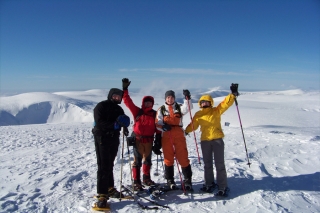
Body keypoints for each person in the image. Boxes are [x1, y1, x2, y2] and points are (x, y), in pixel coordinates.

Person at [185, 83, 239, 196]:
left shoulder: (216, 111)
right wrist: (186, 131)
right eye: (202, 102)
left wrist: (232, 95)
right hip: (205, 141)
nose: (204, 103)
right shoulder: (198, 114)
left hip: (217, 140)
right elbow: (193, 125)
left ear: (210, 103)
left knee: (219, 164)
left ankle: (222, 186)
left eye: (207, 101)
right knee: (207, 164)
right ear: (200, 103)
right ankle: (209, 184)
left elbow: (225, 104)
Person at [91, 88, 130, 208]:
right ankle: (102, 194)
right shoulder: (101, 106)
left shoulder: (119, 109)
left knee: (110, 164)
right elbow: (99, 122)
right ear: (110, 95)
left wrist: (125, 126)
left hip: (114, 139)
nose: (117, 98)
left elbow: (122, 120)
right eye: (115, 96)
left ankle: (109, 188)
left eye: (119, 96)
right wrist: (113, 125)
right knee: (103, 166)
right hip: (102, 138)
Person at [121, 78, 162, 191]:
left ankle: (146, 178)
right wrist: (125, 90)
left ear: (152, 103)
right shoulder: (137, 111)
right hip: (137, 140)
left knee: (147, 161)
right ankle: (136, 181)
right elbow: (127, 102)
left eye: (150, 102)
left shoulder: (155, 114)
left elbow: (158, 128)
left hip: (149, 141)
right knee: (137, 161)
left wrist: (158, 140)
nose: (148, 103)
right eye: (146, 102)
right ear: (143, 103)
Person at [155, 89, 193, 190]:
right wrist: (163, 127)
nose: (170, 99)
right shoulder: (161, 109)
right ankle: (170, 180)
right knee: (168, 158)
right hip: (167, 136)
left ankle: (187, 179)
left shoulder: (179, 107)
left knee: (183, 157)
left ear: (174, 98)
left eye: (171, 97)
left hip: (179, 135)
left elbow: (188, 107)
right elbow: (157, 123)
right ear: (165, 98)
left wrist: (187, 98)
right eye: (168, 97)